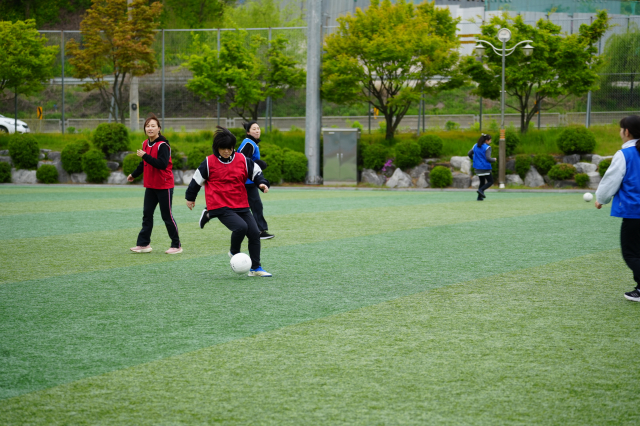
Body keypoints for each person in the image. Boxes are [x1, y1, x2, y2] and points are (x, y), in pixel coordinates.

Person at [185, 126, 273, 277]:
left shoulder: (242, 160)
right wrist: (190, 197)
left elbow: (256, 173)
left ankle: (256, 268)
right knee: (241, 227)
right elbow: (196, 180)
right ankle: (234, 251)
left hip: (240, 203)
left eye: (229, 148)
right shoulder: (208, 162)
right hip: (219, 204)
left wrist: (262, 183)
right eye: (223, 148)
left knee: (254, 233)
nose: (226, 151)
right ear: (216, 148)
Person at [595, 115, 640, 302]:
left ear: (626, 132)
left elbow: (611, 180)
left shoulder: (624, 154)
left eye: (621, 129)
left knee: (631, 254)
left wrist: (601, 199)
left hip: (634, 212)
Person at [128, 114, 182, 254]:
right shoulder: (145, 144)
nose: (150, 128)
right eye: (147, 126)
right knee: (147, 214)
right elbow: (143, 163)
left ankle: (176, 245)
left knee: (167, 216)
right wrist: (134, 174)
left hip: (164, 186)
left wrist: (145, 156)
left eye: (153, 126)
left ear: (159, 128)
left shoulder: (163, 145)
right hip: (151, 186)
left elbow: (162, 164)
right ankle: (144, 244)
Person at [237, 121, 274, 239]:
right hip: (246, 181)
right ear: (248, 132)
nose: (257, 131)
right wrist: (257, 164)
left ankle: (209, 212)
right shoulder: (249, 143)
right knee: (256, 206)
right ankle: (260, 231)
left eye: (258, 128)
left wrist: (256, 164)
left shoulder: (251, 143)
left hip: (247, 181)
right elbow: (242, 161)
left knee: (246, 206)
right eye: (254, 129)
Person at [468, 133, 496, 201]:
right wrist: (494, 159)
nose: (490, 141)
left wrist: (474, 159)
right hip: (485, 167)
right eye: (490, 140)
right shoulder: (487, 147)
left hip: (477, 168)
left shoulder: (475, 145)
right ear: (486, 140)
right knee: (490, 181)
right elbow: (488, 158)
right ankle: (481, 190)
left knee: (482, 182)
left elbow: (469, 153)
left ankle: (479, 197)